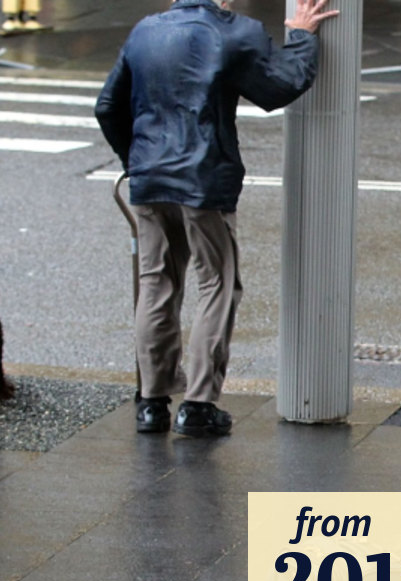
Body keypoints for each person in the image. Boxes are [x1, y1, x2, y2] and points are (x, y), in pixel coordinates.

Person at [94, 0, 338, 437]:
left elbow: (108, 106)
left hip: (149, 178)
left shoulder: (145, 31)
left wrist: (137, 159)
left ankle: (151, 403)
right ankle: (199, 405)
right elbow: (280, 87)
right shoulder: (234, 31)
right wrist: (302, 35)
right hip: (204, 180)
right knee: (216, 284)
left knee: (156, 284)